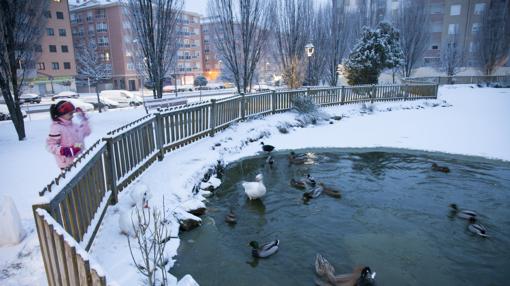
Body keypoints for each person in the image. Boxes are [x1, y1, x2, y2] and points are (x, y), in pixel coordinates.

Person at [46, 100, 91, 170]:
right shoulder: (57, 128)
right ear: (61, 114)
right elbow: (50, 145)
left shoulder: (73, 125)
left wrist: (84, 119)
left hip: (80, 160)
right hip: (67, 165)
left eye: (73, 113)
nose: (72, 116)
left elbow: (86, 132)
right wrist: (64, 150)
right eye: (70, 114)